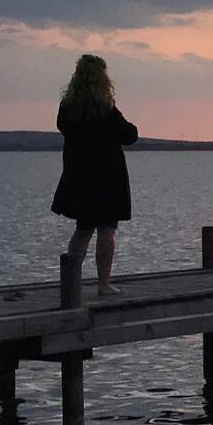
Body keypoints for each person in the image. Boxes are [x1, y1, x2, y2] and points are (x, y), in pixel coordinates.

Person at [51, 54, 138, 296]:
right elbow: (130, 135)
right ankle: (103, 283)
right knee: (107, 230)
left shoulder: (67, 108)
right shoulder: (106, 108)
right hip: (107, 178)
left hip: (79, 178)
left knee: (83, 229)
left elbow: (62, 127)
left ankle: (72, 283)